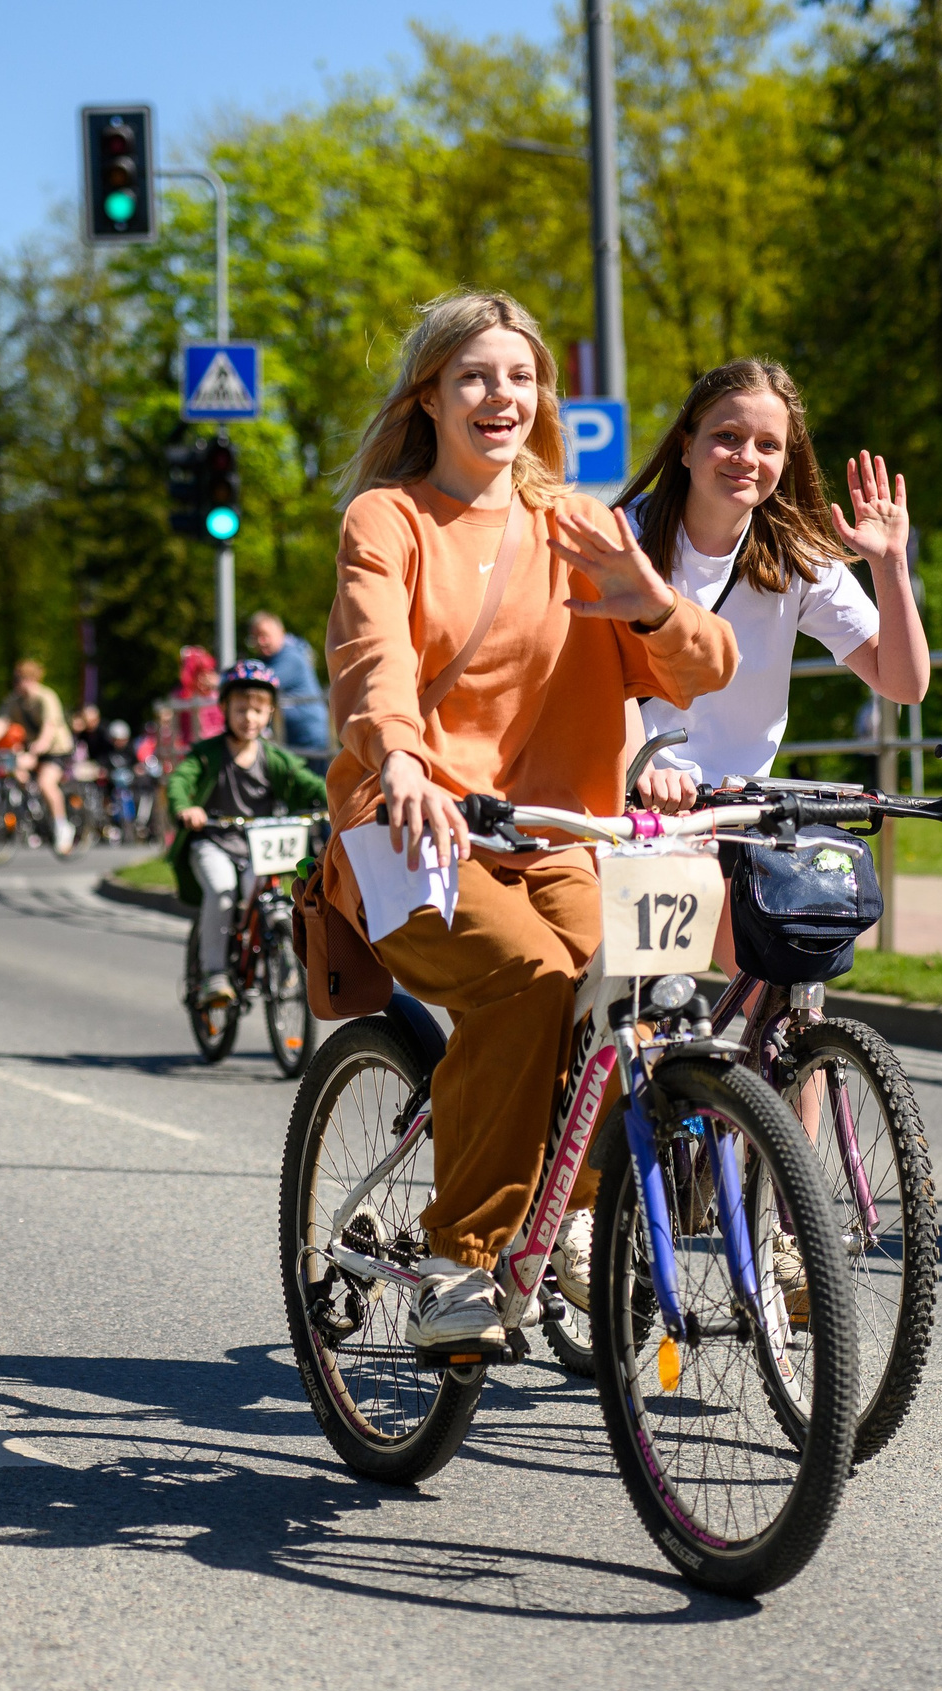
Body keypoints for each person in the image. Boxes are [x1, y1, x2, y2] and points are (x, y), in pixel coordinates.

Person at [321, 288, 736, 1355]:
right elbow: (372, 661)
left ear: (542, 396)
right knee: (528, 979)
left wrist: (652, 600)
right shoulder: (390, 520)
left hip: (557, 835)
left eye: (519, 376)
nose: (499, 395)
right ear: (430, 396)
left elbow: (704, 668)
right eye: (474, 376)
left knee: (636, 993)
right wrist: (401, 760)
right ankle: (460, 1258)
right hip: (412, 828)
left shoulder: (580, 524)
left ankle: (579, 1213)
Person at [615, 358, 932, 977]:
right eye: (727, 436)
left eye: (768, 445)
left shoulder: (794, 557)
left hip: (739, 816)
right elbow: (601, 675)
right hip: (633, 810)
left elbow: (904, 683)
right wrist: (642, 769)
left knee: (783, 1005)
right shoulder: (624, 539)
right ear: (686, 446)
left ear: (786, 461)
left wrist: (889, 564)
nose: (746, 457)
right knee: (652, 998)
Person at [164, 661, 329, 1006]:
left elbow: (307, 784)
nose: (249, 718)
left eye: (258, 710)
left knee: (274, 899)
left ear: (270, 713)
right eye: (241, 709)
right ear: (224, 708)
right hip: (213, 841)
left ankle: (281, 961)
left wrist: (338, 798)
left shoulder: (275, 757)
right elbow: (180, 780)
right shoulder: (207, 754)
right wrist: (186, 808)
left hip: (258, 846)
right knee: (223, 891)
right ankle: (214, 974)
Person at [0, 660, 77, 854]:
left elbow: (49, 728)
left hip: (56, 749)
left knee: (46, 783)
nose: (16, 683)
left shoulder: (46, 697)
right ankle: (31, 806)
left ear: (31, 679)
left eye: (20, 679)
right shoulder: (13, 700)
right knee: (12, 768)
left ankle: (62, 826)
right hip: (32, 746)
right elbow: (0, 723)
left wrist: (35, 751)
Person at [246, 610, 331, 762]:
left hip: (310, 739)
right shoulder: (267, 660)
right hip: (291, 739)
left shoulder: (291, 658)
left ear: (281, 633)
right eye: (255, 637)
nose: (260, 641)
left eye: (264, 635)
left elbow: (261, 684)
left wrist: (224, 681)